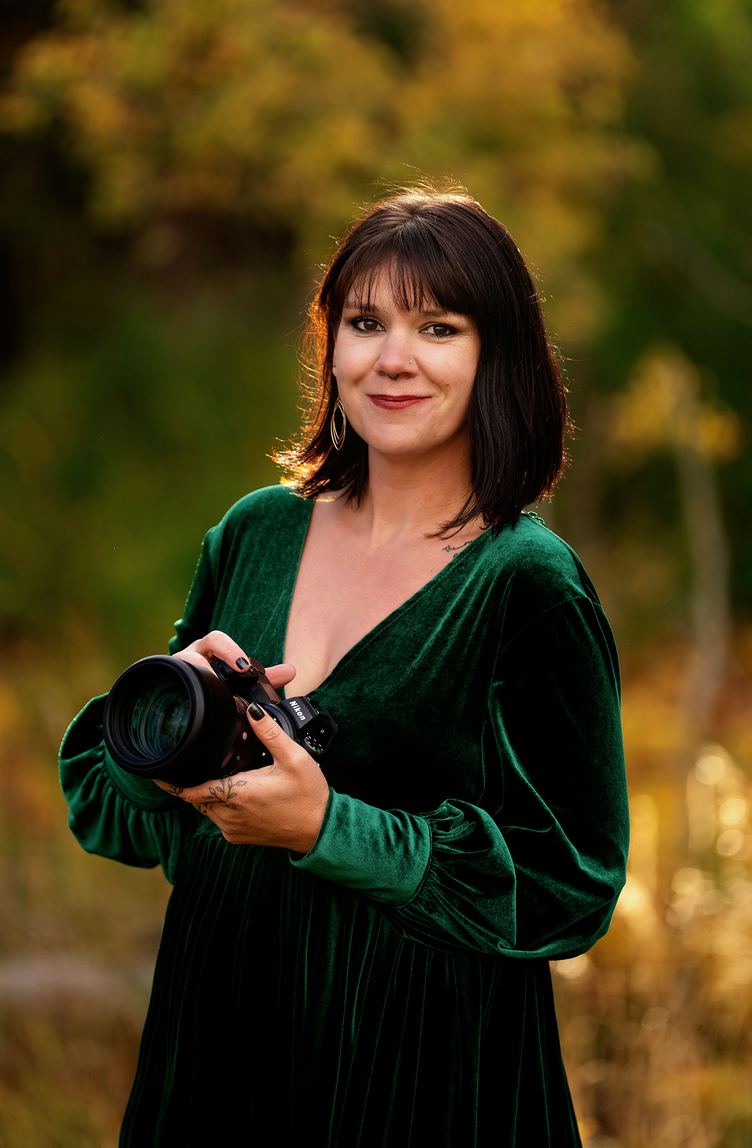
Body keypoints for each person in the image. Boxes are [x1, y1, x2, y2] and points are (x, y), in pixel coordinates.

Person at [60, 186, 629, 1147]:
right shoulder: (256, 530)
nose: (392, 359)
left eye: (437, 327)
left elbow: (572, 877)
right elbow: (115, 807)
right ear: (331, 346)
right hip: (220, 1033)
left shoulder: (528, 583)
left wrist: (328, 826)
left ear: (499, 358)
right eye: (365, 322)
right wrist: (167, 735)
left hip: (417, 1065)